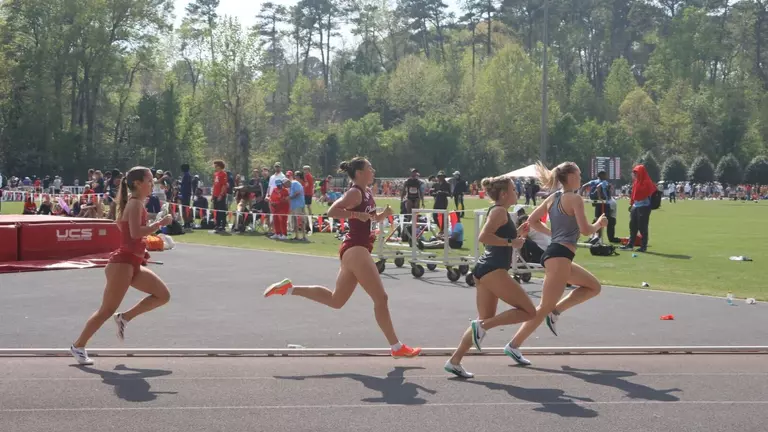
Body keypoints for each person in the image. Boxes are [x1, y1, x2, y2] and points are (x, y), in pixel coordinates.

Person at [264, 157, 421, 359]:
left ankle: (289, 289)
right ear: (359, 173)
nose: (373, 170)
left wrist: (383, 215)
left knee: (336, 300)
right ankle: (396, 346)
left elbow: (369, 219)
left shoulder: (366, 192)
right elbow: (332, 211)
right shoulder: (355, 192)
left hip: (354, 250)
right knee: (381, 298)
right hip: (356, 249)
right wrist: (356, 216)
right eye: (369, 168)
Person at [504, 162, 607, 366]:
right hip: (559, 256)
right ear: (569, 177)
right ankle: (513, 345)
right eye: (578, 174)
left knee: (593, 287)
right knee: (543, 306)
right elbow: (586, 230)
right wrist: (600, 225)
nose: (581, 177)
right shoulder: (575, 199)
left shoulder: (554, 198)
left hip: (558, 254)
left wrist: (554, 234)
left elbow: (531, 221)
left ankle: (556, 311)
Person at [70, 166, 173, 365]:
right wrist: (160, 223)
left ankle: (124, 318)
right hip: (122, 264)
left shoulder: (136, 204)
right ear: (137, 183)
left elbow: (132, 233)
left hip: (132, 263)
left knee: (163, 295)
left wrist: (148, 236)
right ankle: (78, 345)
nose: (153, 185)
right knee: (106, 310)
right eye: (150, 181)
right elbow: (135, 233)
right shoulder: (134, 204)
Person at [445, 175, 536, 378]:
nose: (517, 193)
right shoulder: (499, 211)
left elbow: (498, 238)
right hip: (493, 269)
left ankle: (454, 361)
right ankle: (483, 327)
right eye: (513, 190)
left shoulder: (499, 211)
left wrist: (517, 235)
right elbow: (484, 237)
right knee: (529, 312)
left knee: (484, 319)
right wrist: (511, 243)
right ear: (504, 194)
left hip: (485, 270)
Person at [620, 164, 656, 253]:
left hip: (644, 206)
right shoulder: (636, 182)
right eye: (634, 172)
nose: (635, 174)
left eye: (636, 172)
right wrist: (631, 204)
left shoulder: (647, 182)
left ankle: (643, 246)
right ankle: (630, 244)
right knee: (633, 226)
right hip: (636, 206)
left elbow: (648, 193)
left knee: (642, 227)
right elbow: (634, 194)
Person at [580, 171, 617, 243]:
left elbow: (584, 186)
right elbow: (598, 187)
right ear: (602, 175)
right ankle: (599, 238)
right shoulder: (604, 182)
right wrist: (600, 197)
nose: (606, 176)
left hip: (597, 203)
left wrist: (580, 195)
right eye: (605, 175)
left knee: (597, 219)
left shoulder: (593, 181)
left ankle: (594, 237)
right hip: (604, 203)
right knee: (606, 220)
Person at [212, 160, 229, 233]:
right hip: (215, 195)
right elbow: (214, 185)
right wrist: (213, 195)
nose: (215, 167)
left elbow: (224, 185)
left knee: (221, 210)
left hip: (221, 195)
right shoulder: (215, 174)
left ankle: (223, 225)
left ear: (219, 166)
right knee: (216, 210)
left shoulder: (223, 174)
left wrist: (221, 195)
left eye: (216, 165)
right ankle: (217, 225)